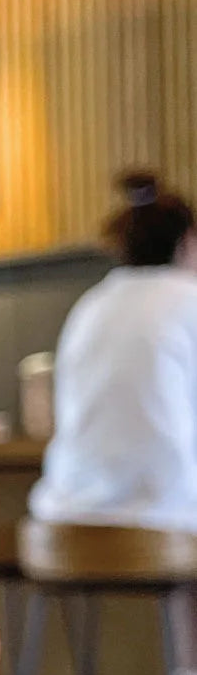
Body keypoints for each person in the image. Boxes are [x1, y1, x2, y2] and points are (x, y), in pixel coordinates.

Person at [30, 172, 197, 532]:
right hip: (162, 525)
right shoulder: (189, 298)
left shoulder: (91, 304)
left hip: (65, 527)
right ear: (186, 243)